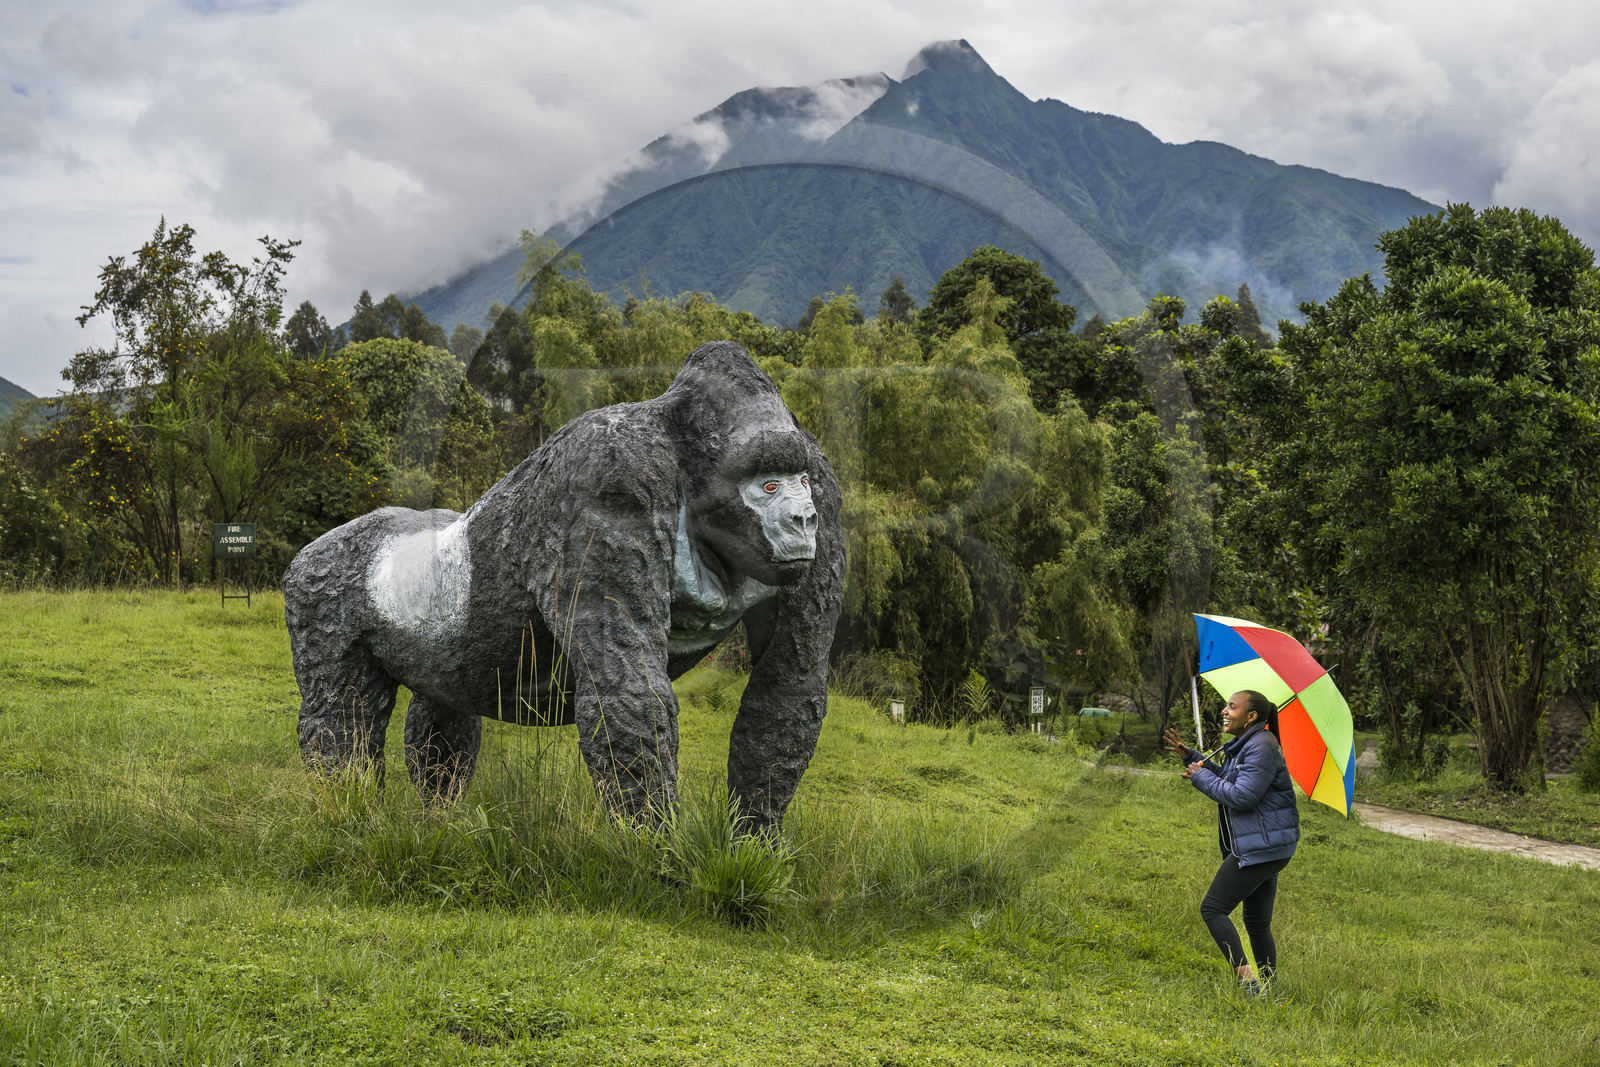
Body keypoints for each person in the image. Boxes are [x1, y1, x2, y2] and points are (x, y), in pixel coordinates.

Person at [1163, 690, 1300, 994]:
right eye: (1226, 706)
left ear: (1251, 716)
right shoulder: (1248, 744)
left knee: (1213, 909)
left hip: (1261, 845)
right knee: (1257, 923)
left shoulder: (1261, 745)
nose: (1224, 711)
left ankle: (1249, 983)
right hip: (1269, 844)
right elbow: (1229, 779)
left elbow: (1242, 796)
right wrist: (1191, 757)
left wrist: (1199, 778)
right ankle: (1270, 987)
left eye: (1232, 707)